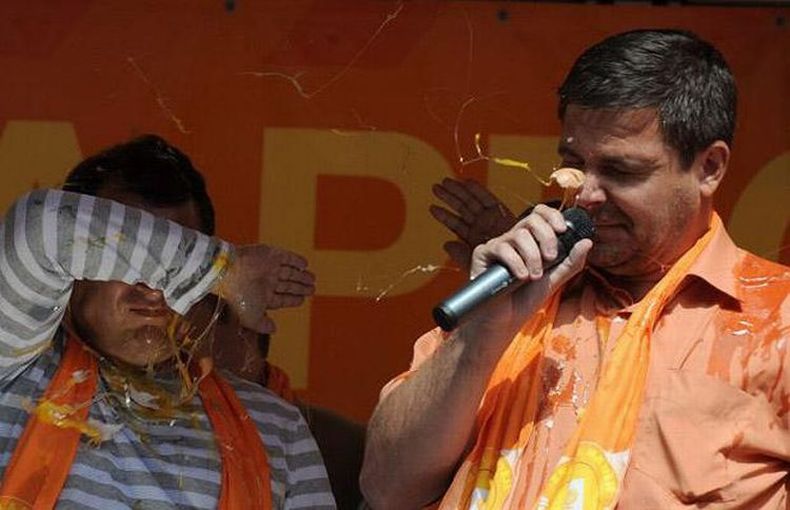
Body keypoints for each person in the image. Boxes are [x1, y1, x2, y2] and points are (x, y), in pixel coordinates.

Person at [361, 29, 789, 509]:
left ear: (709, 167)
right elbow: (386, 488)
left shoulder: (777, 322)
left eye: (621, 171)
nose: (585, 194)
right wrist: (479, 336)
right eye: (573, 163)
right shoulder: (515, 290)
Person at [0, 135, 336, 508]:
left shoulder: (276, 427)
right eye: (127, 258)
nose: (154, 286)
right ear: (75, 269)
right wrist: (227, 270)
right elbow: (41, 224)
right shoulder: (14, 367)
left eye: (170, 266)